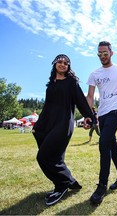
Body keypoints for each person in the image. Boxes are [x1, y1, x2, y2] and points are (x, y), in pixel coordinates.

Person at [32, 54, 95, 206]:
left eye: (66, 63)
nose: (62, 64)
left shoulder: (71, 82)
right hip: (48, 123)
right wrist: (38, 125)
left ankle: (63, 184)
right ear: (54, 64)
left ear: (68, 67)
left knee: (43, 157)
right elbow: (47, 107)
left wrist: (88, 115)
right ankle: (69, 182)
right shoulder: (51, 85)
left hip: (63, 124)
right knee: (55, 158)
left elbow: (80, 99)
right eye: (59, 62)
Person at [86, 41, 117, 205]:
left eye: (105, 53)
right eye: (99, 54)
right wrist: (89, 114)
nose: (102, 56)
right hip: (102, 114)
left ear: (111, 53)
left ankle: (101, 187)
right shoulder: (94, 74)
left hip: (116, 110)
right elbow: (90, 96)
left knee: (104, 143)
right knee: (112, 145)